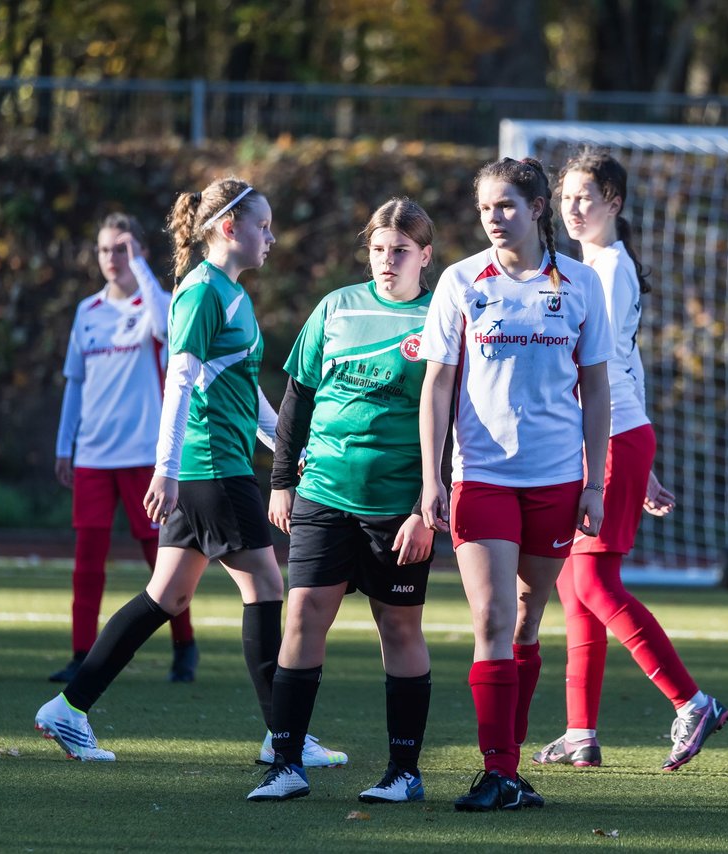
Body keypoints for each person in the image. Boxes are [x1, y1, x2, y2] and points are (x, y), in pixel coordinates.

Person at [34, 178, 343, 769]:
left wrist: (285, 443)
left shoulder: (230, 292)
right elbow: (179, 383)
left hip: (213, 466)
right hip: (210, 469)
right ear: (230, 228)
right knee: (266, 585)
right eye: (263, 225)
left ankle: (69, 709)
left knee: (167, 595)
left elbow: (240, 387)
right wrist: (165, 470)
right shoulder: (201, 293)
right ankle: (284, 736)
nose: (271, 237)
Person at [419, 157, 613, 812]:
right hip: (482, 477)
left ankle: (512, 768)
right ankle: (496, 768)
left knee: (529, 618)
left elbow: (597, 389)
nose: (494, 218)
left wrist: (594, 483)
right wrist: (432, 478)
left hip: (558, 479)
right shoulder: (459, 282)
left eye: (505, 206)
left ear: (536, 209)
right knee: (493, 616)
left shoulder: (580, 284)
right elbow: (438, 382)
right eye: (484, 209)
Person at [533, 148, 728, 772]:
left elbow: (596, 367)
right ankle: (580, 733)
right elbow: (628, 366)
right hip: (612, 439)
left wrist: (624, 455)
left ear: (614, 201)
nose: (574, 207)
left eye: (586, 197)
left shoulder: (607, 269)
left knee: (592, 581)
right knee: (573, 587)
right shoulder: (591, 265)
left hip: (607, 439)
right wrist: (646, 466)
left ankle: (692, 701)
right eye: (566, 198)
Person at [247, 198, 437, 803]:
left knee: (399, 627)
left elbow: (453, 422)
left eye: (400, 250)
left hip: (397, 504)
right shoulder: (336, 307)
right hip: (323, 492)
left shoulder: (440, 318)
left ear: (425, 257)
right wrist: (281, 481)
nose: (386, 261)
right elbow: (296, 398)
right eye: (379, 249)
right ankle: (286, 764)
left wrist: (425, 507)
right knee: (302, 617)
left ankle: (403, 774)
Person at [50, 213, 198, 684]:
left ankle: (184, 645)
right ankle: (80, 654)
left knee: (162, 557)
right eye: (105, 250)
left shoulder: (156, 302)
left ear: (139, 253)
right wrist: (64, 444)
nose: (112, 259)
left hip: (143, 457)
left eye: (122, 249)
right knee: (87, 559)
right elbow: (74, 383)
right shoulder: (87, 311)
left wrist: (144, 272)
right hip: (93, 456)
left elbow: (168, 330)